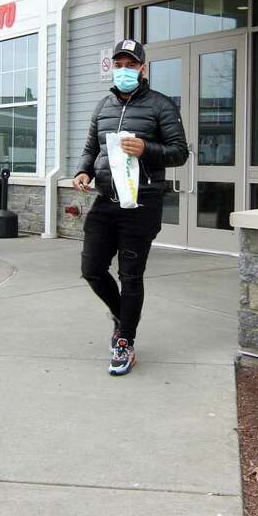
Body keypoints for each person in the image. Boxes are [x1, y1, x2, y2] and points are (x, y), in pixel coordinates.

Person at [74, 39, 188, 376]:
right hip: (106, 201)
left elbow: (179, 152)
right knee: (92, 269)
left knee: (130, 275)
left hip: (141, 203)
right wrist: (83, 170)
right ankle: (123, 315)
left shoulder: (161, 106)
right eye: (119, 64)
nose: (124, 69)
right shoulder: (103, 105)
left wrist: (146, 148)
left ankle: (125, 340)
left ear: (143, 68)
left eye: (131, 64)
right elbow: (91, 146)